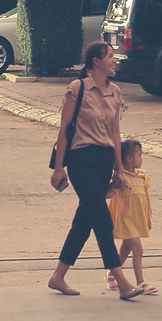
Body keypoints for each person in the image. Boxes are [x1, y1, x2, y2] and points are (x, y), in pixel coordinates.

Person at [47, 42, 145, 300]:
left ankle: (58, 277)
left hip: (103, 162)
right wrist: (59, 168)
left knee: (84, 222)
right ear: (95, 61)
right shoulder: (77, 89)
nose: (114, 60)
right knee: (102, 220)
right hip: (81, 160)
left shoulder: (115, 92)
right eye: (110, 56)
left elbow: (115, 133)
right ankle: (122, 282)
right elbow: (64, 130)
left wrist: (119, 170)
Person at [107, 140, 154, 295]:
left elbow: (146, 198)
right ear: (128, 159)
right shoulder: (122, 178)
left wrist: (148, 217)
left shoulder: (142, 177)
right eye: (139, 155)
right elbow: (109, 195)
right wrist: (114, 186)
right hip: (125, 219)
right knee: (137, 249)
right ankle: (141, 282)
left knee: (126, 249)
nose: (141, 159)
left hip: (137, 219)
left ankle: (113, 274)